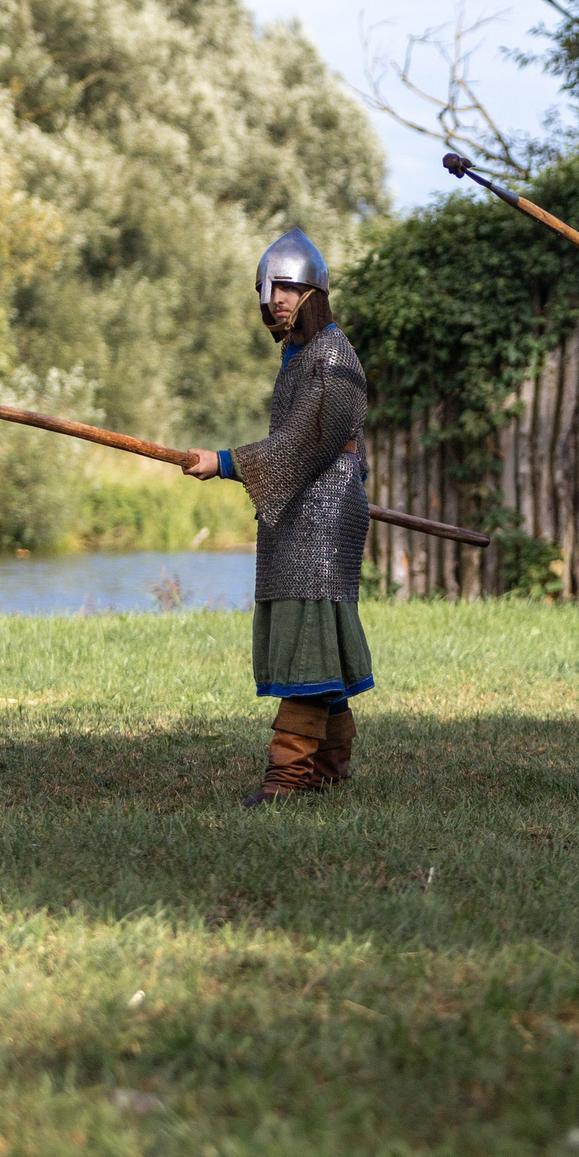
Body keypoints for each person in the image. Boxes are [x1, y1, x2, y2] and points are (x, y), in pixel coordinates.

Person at [185, 229, 374, 805]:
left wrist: (224, 462)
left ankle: (287, 779)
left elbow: (307, 439)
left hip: (323, 516)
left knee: (307, 649)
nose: (277, 300)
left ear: (313, 292)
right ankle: (328, 769)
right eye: (270, 291)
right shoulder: (300, 354)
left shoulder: (332, 354)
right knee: (315, 647)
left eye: (290, 289)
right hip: (304, 510)